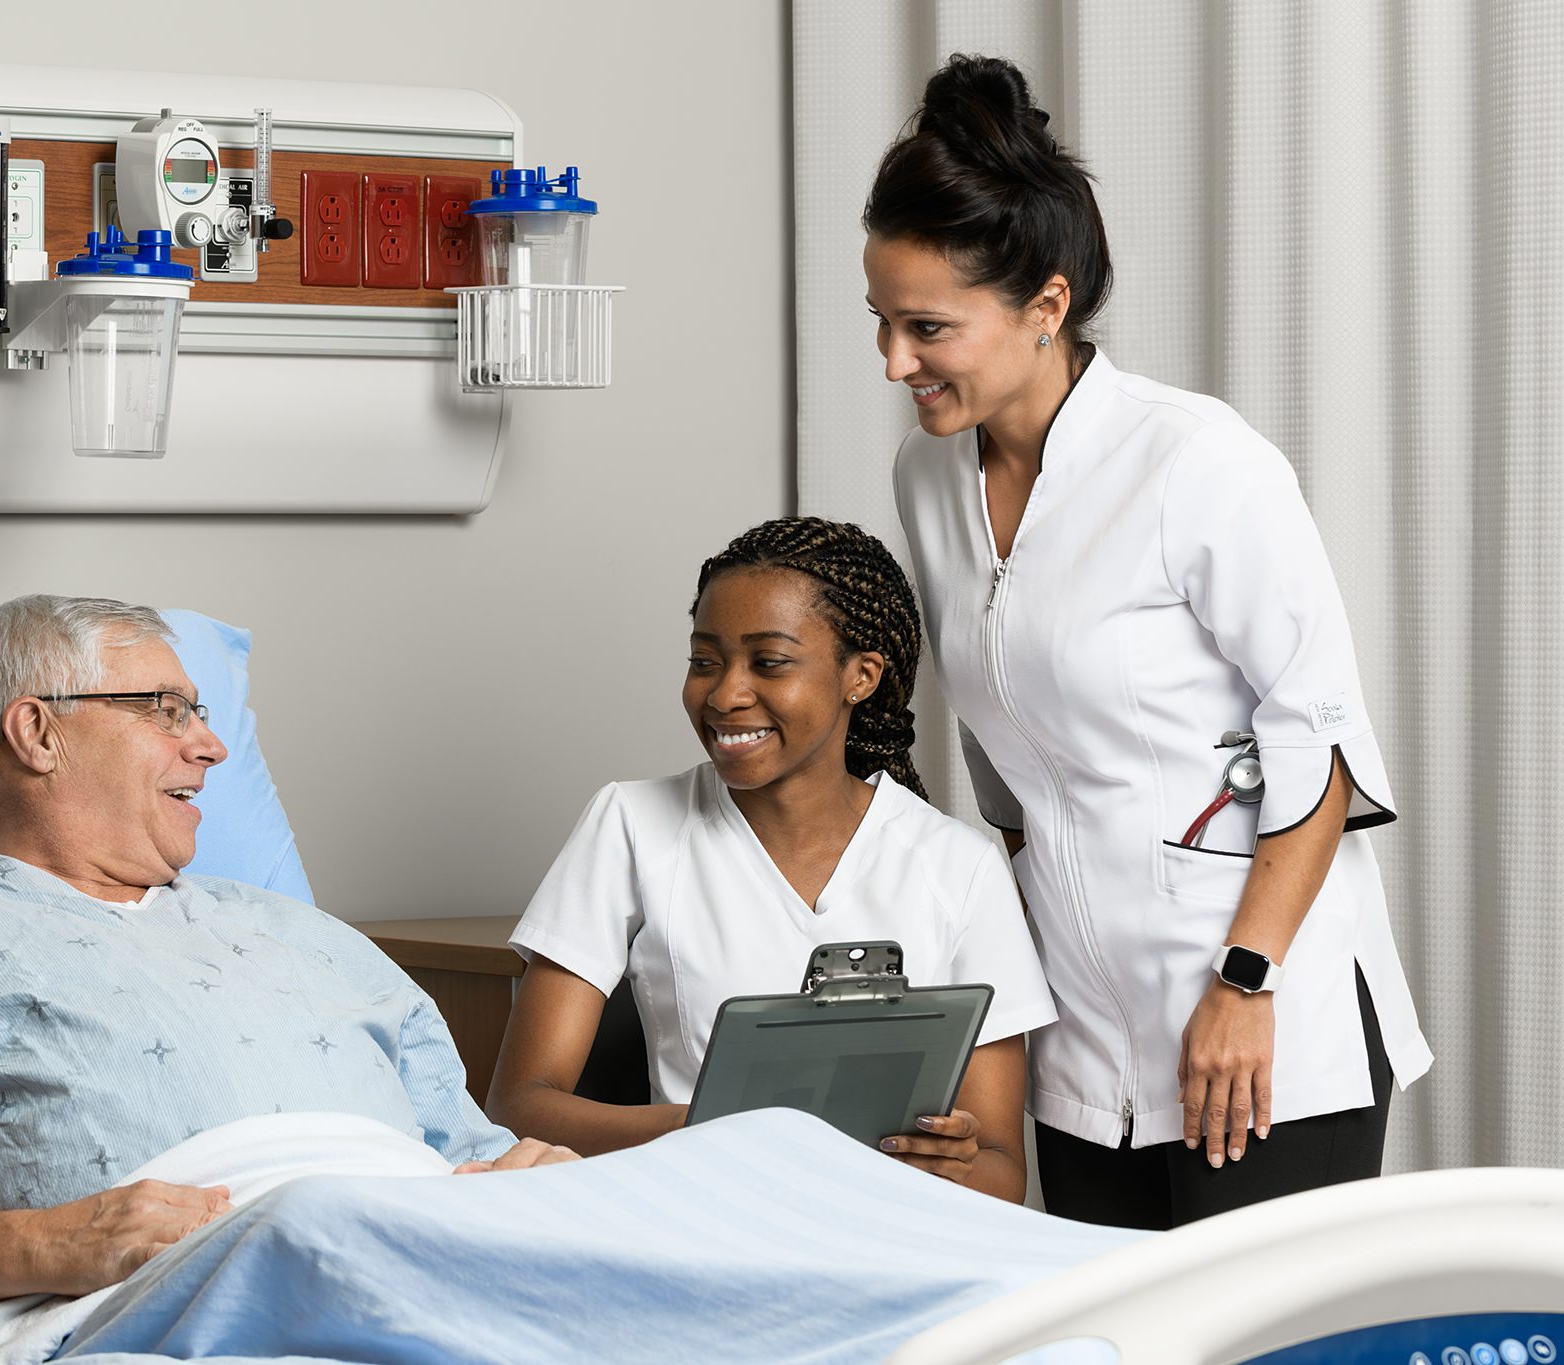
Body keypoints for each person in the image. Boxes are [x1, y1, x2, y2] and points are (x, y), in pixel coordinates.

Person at [0, 595, 573, 1365]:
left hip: (449, 1260)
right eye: (167, 709)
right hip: (191, 1297)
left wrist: (540, 1180)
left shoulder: (305, 934)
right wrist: (46, 1245)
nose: (213, 744)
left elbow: (477, 1152)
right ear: (37, 731)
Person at [870, 54, 1433, 1228]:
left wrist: (1243, 983)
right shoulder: (926, 480)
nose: (893, 363)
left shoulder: (1195, 461)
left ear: (1044, 305)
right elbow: (1005, 771)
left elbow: (1317, 751)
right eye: (879, 322)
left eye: (927, 327)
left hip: (1262, 1024)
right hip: (1085, 1041)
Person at [487, 517, 1056, 1202]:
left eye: (769, 662)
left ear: (861, 676)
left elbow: (1000, 1173)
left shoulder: (960, 867)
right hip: (700, 1214)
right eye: (705, 660)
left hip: (885, 1235)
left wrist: (942, 1161)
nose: (725, 694)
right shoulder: (630, 824)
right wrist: (704, 1130)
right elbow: (518, 1103)